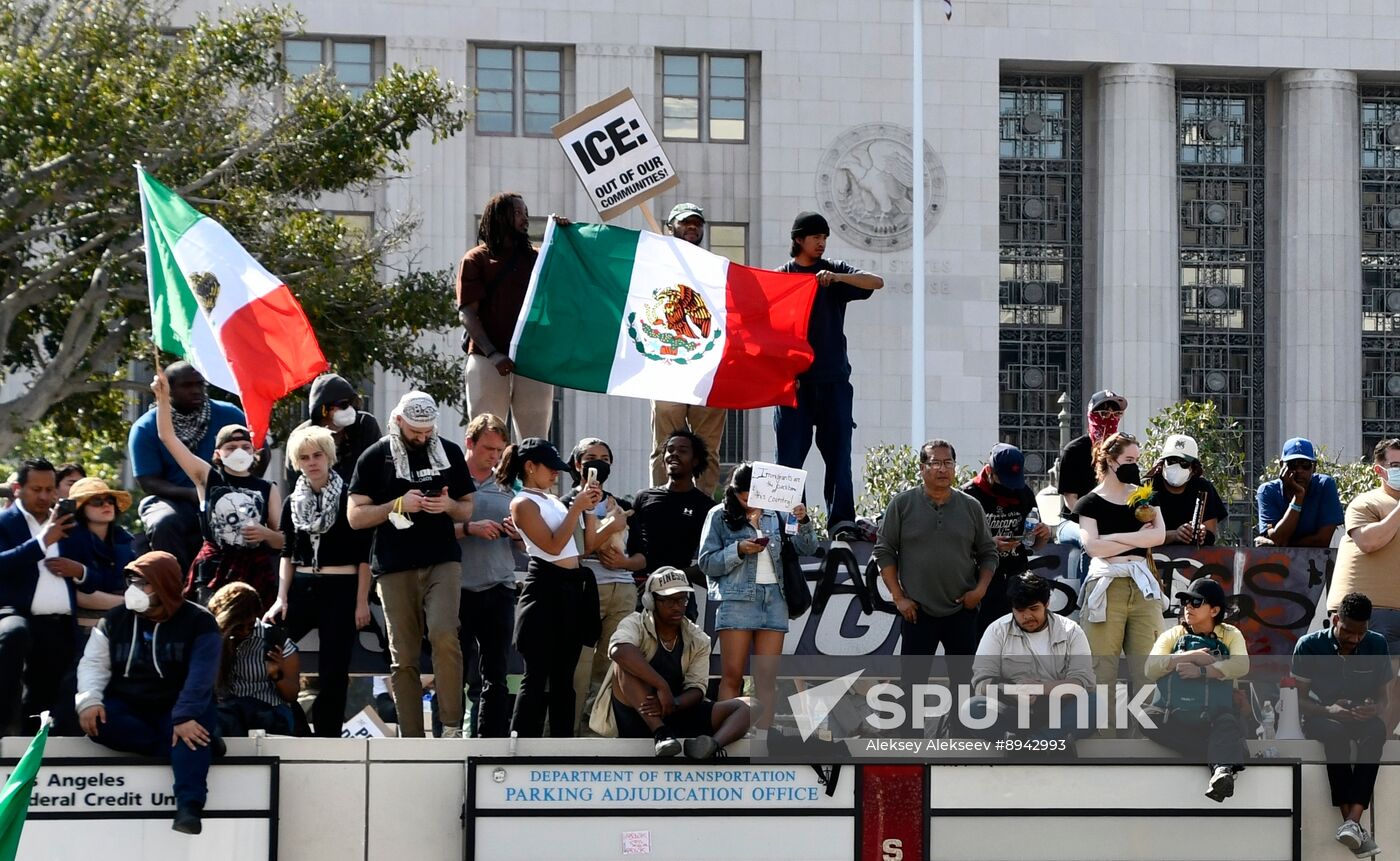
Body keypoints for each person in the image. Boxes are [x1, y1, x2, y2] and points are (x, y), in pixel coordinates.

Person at [347, 391, 475, 738]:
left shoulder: (447, 451)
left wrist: (447, 507)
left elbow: (467, 508)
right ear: (399, 422)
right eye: (415, 431)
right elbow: (355, 517)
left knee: (445, 634)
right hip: (394, 565)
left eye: (427, 431)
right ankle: (411, 736)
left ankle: (451, 727)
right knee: (403, 653)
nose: (422, 438)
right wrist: (396, 505)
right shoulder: (375, 456)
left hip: (442, 560)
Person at [76, 551, 222, 834]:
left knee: (190, 736)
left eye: (143, 583)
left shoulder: (199, 621)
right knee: (101, 724)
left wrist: (185, 714)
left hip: (179, 703)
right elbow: (93, 663)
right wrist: (89, 701)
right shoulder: (114, 619)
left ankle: (189, 807)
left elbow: (202, 675)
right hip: (130, 704)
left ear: (164, 583)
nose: (135, 589)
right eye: (131, 581)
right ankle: (199, 747)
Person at [773, 210, 883, 540]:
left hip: (834, 382)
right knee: (789, 463)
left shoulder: (833, 272)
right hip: (794, 386)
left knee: (839, 457)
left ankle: (841, 524)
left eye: (824, 238)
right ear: (798, 240)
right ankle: (793, 526)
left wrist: (837, 279)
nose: (821, 243)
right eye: (815, 237)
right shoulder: (782, 277)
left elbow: (876, 282)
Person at [502, 438, 620, 737]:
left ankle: (562, 745)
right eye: (550, 468)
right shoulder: (522, 503)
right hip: (544, 590)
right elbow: (553, 547)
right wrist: (576, 507)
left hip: (571, 590)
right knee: (536, 675)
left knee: (564, 678)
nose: (556, 474)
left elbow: (584, 547)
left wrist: (589, 509)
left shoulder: (552, 501)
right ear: (530, 467)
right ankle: (521, 746)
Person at [265, 424, 372, 738]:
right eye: (304, 457)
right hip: (301, 587)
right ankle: (295, 725)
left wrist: (361, 600)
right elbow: (287, 552)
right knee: (266, 646)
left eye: (317, 455)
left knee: (333, 671)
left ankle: (327, 737)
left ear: (329, 457)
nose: (312, 462)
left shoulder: (349, 499)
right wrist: (281, 597)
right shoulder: (292, 502)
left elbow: (364, 555)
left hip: (342, 589)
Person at [873, 440, 998, 698]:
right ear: (922, 468)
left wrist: (979, 591)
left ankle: (962, 737)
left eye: (948, 462)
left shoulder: (971, 506)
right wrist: (899, 598)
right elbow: (884, 551)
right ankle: (912, 739)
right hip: (916, 612)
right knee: (912, 684)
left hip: (962, 609)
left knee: (964, 684)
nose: (943, 469)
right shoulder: (902, 504)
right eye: (936, 463)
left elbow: (988, 552)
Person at [697, 463, 815, 730]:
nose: (749, 499)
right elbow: (706, 562)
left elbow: (807, 547)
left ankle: (762, 739)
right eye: (743, 494)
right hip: (737, 599)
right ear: (733, 490)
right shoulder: (719, 515)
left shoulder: (777, 514)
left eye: (754, 493)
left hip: (775, 599)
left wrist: (803, 520)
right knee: (732, 675)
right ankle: (725, 736)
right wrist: (737, 549)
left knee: (766, 678)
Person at [151, 370, 282, 608]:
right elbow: (167, 437)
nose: (239, 452)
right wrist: (162, 399)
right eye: (231, 447)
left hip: (256, 570)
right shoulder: (207, 477)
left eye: (245, 446)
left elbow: (283, 541)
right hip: (213, 570)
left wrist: (265, 534)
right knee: (212, 633)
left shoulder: (267, 488)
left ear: (255, 454)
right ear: (217, 455)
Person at [589, 567, 751, 758]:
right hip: (637, 713)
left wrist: (672, 702)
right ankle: (661, 734)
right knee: (624, 664)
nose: (678, 606)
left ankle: (710, 745)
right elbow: (618, 650)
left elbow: (698, 689)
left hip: (676, 709)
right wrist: (661, 686)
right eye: (669, 600)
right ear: (651, 601)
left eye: (682, 599)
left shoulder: (698, 638)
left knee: (749, 705)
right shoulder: (634, 622)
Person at [129, 361, 250, 573]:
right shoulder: (145, 427)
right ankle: (177, 589)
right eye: (187, 385)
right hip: (173, 500)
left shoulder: (230, 414)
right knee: (164, 522)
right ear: (169, 389)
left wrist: (241, 486)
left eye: (199, 384)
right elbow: (148, 481)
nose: (195, 390)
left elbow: (258, 453)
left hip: (227, 494)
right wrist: (193, 493)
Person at [1074, 432, 1166, 709]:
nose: (1134, 465)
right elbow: (1092, 547)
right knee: (1101, 667)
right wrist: (1133, 537)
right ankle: (1104, 738)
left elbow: (1157, 536)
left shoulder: (1144, 496)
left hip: (1141, 587)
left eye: (1137, 460)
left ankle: (1148, 736)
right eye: (1129, 459)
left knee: (1148, 667)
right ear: (1111, 461)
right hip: (1106, 585)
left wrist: (1111, 539)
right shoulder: (1089, 502)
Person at [1293, 592, 1389, 858]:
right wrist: (1328, 710)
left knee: (1377, 732)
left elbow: (1384, 700)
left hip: (1360, 719)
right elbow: (1296, 700)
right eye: (1349, 632)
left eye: (1361, 634)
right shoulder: (1309, 645)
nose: (1355, 639)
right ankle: (1354, 825)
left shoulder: (1377, 644)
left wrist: (1373, 709)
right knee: (1334, 735)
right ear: (1336, 619)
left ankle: (1351, 823)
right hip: (1319, 717)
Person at [457, 192, 556, 440]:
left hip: (532, 360)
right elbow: (467, 313)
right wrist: (492, 353)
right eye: (518, 213)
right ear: (500, 217)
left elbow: (565, 276)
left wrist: (563, 234)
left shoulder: (537, 258)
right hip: (487, 358)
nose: (525, 218)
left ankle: (531, 480)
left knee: (536, 440)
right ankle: (485, 480)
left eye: (526, 212)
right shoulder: (476, 259)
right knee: (486, 433)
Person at [1143, 578, 1250, 803]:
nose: (1188, 607)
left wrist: (1202, 671)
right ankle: (1223, 763)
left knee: (1228, 720)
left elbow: (1242, 666)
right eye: (1185, 602)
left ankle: (1221, 768)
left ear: (1214, 610)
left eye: (1196, 602)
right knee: (1144, 717)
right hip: (1174, 714)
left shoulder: (1230, 634)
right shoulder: (1173, 634)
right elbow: (1150, 669)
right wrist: (1190, 657)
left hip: (1212, 717)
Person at [0, 458, 82, 733]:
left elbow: (97, 570)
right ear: (17, 488)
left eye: (50, 489)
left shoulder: (68, 524)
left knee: (44, 702)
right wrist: (41, 542)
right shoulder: (5, 523)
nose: (45, 496)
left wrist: (79, 571)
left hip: (58, 625)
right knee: (14, 636)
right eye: (37, 489)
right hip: (15, 616)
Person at [648, 203, 725, 495]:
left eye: (697, 223)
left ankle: (703, 506)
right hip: (667, 364)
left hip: (708, 367)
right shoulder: (654, 263)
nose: (693, 227)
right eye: (685, 223)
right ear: (671, 227)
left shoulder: (717, 267)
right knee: (665, 443)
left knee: (707, 447)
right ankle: (659, 501)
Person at [967, 573, 1095, 745]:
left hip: (1058, 709)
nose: (1026, 616)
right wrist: (1013, 692)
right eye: (1020, 611)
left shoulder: (1072, 631)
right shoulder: (997, 630)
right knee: (972, 709)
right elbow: (981, 683)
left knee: (1093, 704)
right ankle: (1041, 743)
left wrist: (1040, 688)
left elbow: (1081, 683)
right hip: (1013, 709)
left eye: (1033, 609)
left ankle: (1031, 743)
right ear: (1012, 607)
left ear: (1047, 604)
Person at [564, 436, 637, 735]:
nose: (598, 463)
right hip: (583, 589)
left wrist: (623, 563)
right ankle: (567, 735)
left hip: (623, 589)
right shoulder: (565, 503)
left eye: (604, 459)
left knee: (609, 668)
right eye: (591, 457)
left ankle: (597, 732)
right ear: (578, 464)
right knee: (578, 667)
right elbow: (573, 548)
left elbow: (642, 556)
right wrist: (609, 526)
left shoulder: (625, 505)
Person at [456, 413, 521, 738]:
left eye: (499, 450)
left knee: (495, 672)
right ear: (470, 443)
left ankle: (489, 742)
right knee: (452, 671)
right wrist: (469, 529)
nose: (494, 456)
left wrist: (517, 532)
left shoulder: (510, 486)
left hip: (499, 588)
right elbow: (428, 533)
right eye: (488, 449)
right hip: (455, 590)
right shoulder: (450, 478)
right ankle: (448, 736)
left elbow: (527, 544)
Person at [963, 443, 1050, 634]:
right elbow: (956, 548)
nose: (1009, 487)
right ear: (989, 471)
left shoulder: (1023, 492)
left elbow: (1035, 545)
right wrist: (989, 547)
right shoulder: (968, 496)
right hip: (980, 583)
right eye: (1004, 480)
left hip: (1017, 579)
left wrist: (1043, 534)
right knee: (983, 642)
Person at [622, 430, 717, 584]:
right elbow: (630, 544)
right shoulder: (643, 497)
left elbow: (709, 561)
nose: (674, 454)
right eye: (670, 450)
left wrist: (668, 578)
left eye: (682, 451)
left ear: (695, 460)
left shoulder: (706, 506)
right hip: (639, 585)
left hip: (678, 588)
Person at [208, 582, 301, 736]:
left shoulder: (273, 639)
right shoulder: (209, 639)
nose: (245, 631)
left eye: (250, 626)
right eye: (238, 627)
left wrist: (277, 675)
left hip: (269, 712)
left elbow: (292, 695)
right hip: (226, 715)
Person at [286, 372, 383, 486]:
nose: (350, 409)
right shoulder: (300, 437)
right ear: (324, 410)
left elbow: (379, 469)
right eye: (343, 405)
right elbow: (294, 481)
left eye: (352, 403)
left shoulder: (365, 425)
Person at [1054, 389, 1128, 533]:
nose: (1111, 419)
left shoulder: (1123, 449)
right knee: (1090, 539)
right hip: (1074, 520)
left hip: (1111, 520)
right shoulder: (1074, 450)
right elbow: (1070, 499)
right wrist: (1094, 522)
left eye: (1117, 414)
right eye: (1104, 414)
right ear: (1092, 416)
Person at [59, 477, 136, 612]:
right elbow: (76, 595)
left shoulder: (124, 539)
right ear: (81, 509)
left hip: (124, 618)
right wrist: (128, 602)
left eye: (110, 501)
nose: (106, 505)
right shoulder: (69, 540)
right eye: (96, 501)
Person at [1255, 436, 1344, 548]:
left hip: (1314, 563)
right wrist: (1298, 498)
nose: (1299, 470)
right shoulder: (1267, 491)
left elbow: (1322, 540)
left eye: (1305, 465)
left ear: (1314, 467)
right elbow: (1278, 538)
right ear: (1282, 466)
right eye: (1293, 465)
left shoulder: (1325, 485)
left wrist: (1279, 544)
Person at [1144, 434, 1229, 545]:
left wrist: (1202, 533)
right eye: (1171, 461)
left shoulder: (1203, 488)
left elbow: (1211, 533)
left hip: (1194, 559)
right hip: (1153, 557)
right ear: (1162, 464)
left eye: (1183, 463)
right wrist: (1174, 535)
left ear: (1193, 469)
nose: (1176, 466)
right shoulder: (1146, 489)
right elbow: (1140, 535)